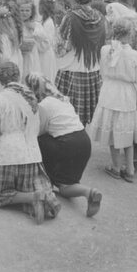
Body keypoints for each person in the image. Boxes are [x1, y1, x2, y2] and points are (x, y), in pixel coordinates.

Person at [0, 62, 60, 224]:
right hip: (31, 157)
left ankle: (32, 197)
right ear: (17, 76)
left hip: (6, 157)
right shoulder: (31, 97)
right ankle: (37, 195)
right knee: (32, 183)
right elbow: (35, 128)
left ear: (0, 80)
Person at [24, 73, 101, 218]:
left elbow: (38, 132)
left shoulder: (44, 105)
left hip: (67, 144)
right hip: (84, 141)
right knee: (66, 185)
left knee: (36, 142)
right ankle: (88, 192)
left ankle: (42, 180)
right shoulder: (63, 100)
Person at [90, 18, 137, 183]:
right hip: (126, 95)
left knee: (114, 131)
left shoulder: (105, 50)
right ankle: (130, 169)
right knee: (126, 130)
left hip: (109, 92)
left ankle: (116, 166)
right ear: (130, 33)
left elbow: (102, 71)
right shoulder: (135, 55)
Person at [54, 0, 105, 126]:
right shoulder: (99, 17)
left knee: (67, 111)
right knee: (85, 115)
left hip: (72, 67)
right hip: (91, 67)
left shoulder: (70, 17)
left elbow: (64, 45)